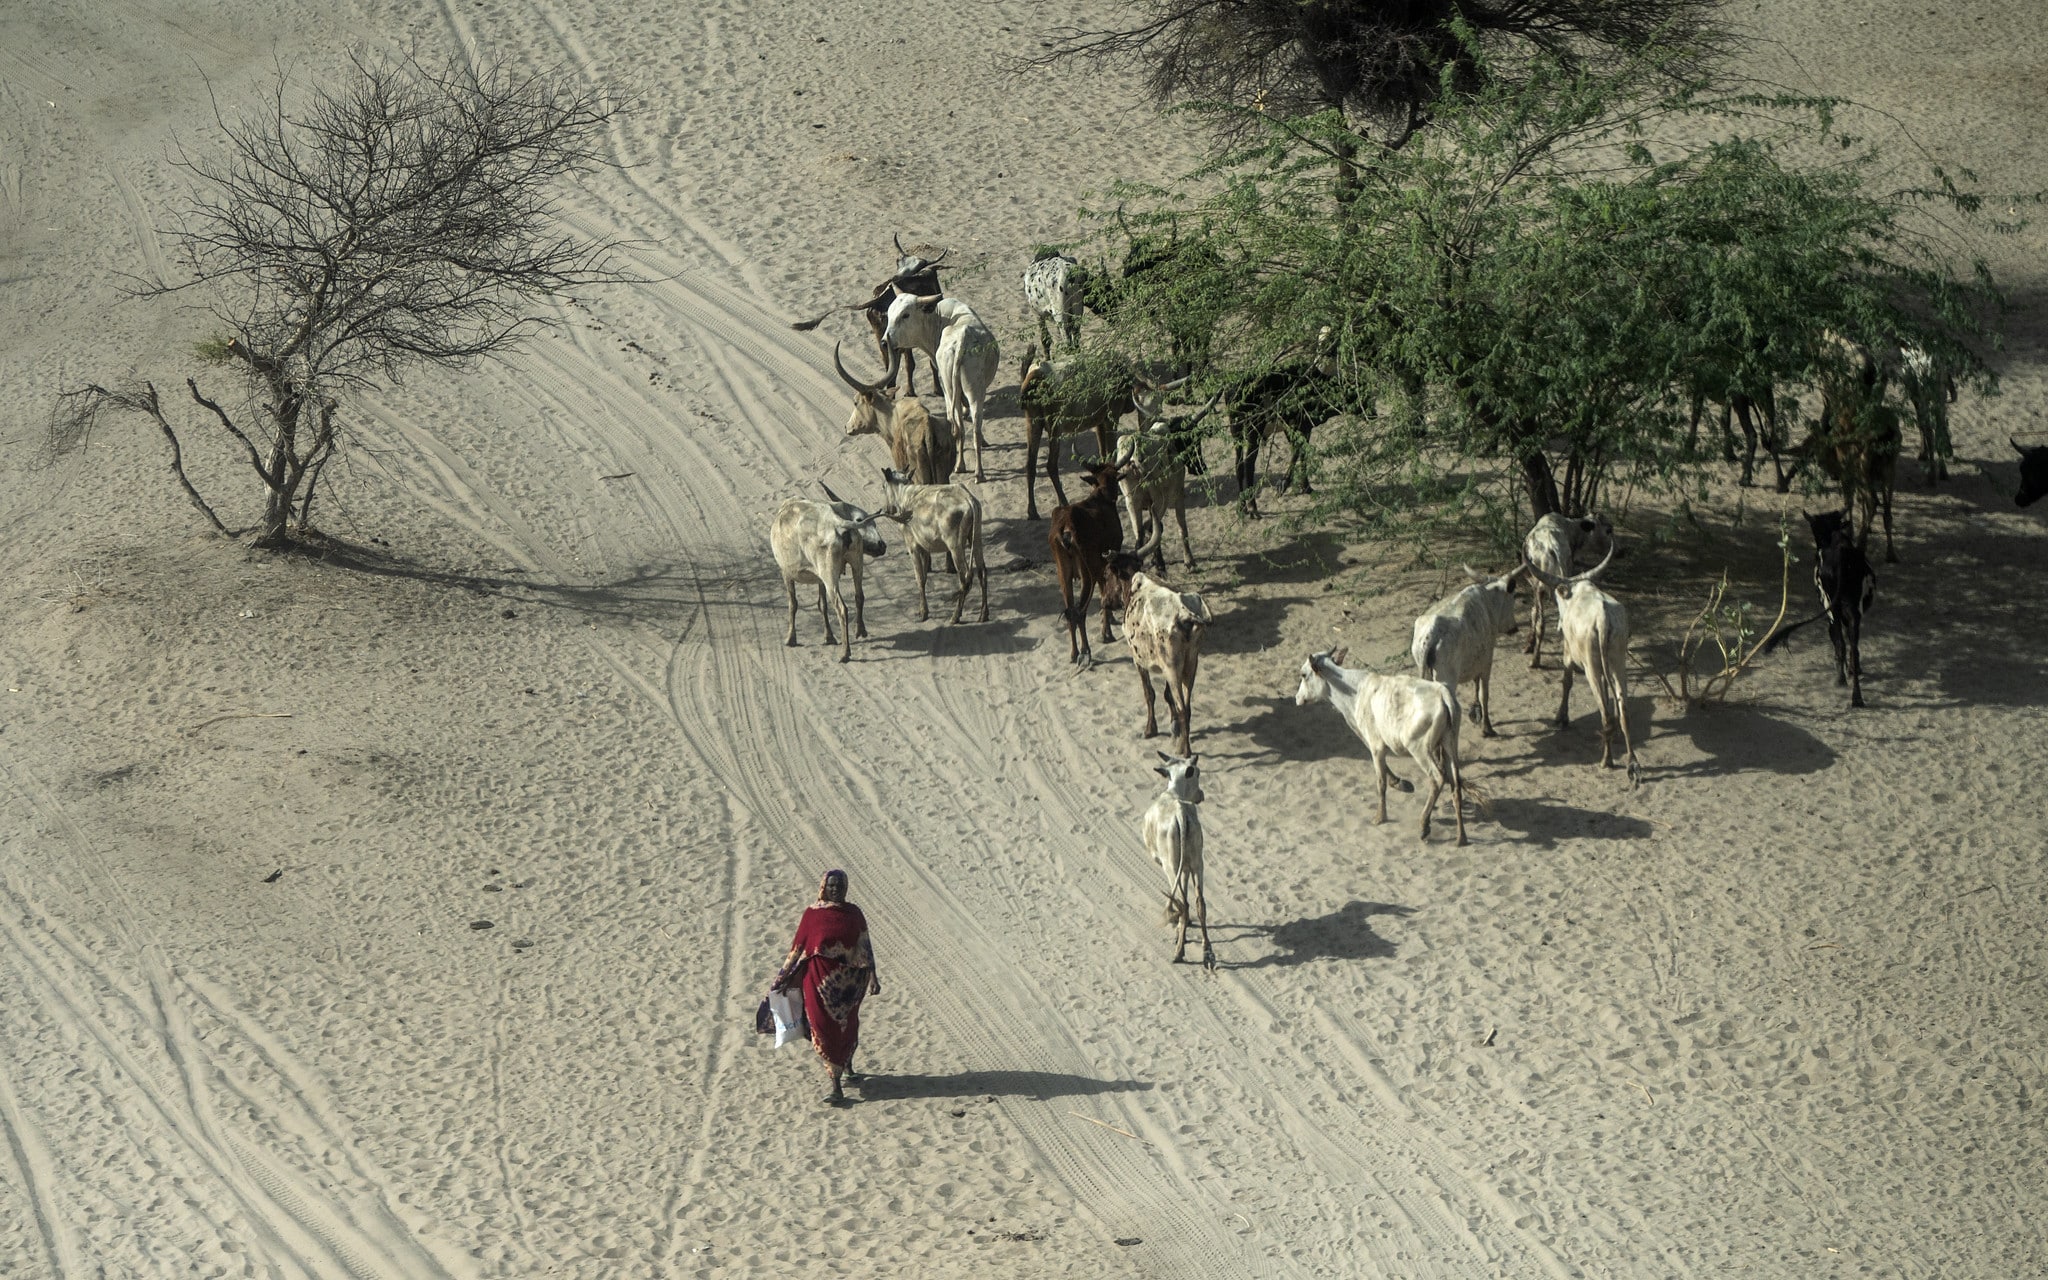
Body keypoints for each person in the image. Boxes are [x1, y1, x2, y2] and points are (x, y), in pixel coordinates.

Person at [773, 869, 880, 1105]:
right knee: (824, 1030)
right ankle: (836, 1087)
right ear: (824, 886)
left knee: (848, 1027)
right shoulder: (812, 915)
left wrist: (873, 976)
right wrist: (781, 978)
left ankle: (848, 1066)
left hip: (850, 985)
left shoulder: (854, 914)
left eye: (840, 886)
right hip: (817, 982)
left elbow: (865, 946)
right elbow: (797, 948)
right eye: (831, 886)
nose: (836, 890)